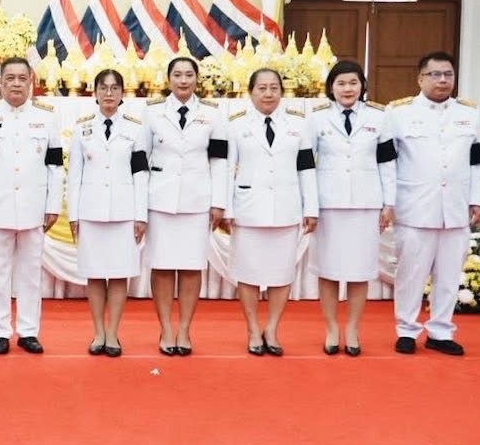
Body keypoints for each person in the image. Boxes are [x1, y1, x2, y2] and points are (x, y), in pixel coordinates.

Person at [389, 51, 480, 356]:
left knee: (448, 274)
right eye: (435, 74)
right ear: (420, 78)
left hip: (455, 208)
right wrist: (388, 201)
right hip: (415, 206)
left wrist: (478, 200)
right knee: (411, 274)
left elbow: (479, 160)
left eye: (448, 74)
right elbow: (387, 162)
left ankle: (441, 330)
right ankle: (406, 329)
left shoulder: (470, 113)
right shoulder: (399, 113)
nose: (443, 80)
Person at [0, 57, 63, 355]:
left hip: (34, 208)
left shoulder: (47, 117)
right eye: (10, 78)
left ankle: (28, 330)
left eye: (22, 78)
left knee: (30, 273)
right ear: (0, 81)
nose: (17, 84)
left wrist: (53, 205)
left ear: (31, 80)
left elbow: (55, 166)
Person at [222, 68, 318, 357]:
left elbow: (307, 168)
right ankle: (253, 328)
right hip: (248, 209)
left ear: (281, 91)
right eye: (261, 88)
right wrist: (226, 207)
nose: (268, 94)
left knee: (281, 273)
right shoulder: (236, 125)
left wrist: (310, 207)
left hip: (286, 209)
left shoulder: (298, 125)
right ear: (250, 92)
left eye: (273, 88)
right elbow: (226, 170)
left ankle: (272, 328)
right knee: (248, 274)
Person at [307, 60, 395, 356]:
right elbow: (306, 165)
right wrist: (309, 205)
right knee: (328, 270)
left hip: (365, 204)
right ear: (331, 87)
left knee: (361, 271)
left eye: (353, 83)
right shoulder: (316, 118)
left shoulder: (380, 117)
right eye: (341, 83)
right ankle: (332, 328)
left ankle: (354, 328)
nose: (347, 89)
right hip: (328, 204)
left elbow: (387, 162)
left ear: (362, 86)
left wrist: (389, 203)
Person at [144, 56, 227, 357]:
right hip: (160, 200)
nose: (183, 80)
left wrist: (219, 202)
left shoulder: (212, 115)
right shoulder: (151, 113)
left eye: (188, 75)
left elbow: (220, 160)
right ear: (168, 80)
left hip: (196, 201)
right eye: (177, 75)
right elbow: (141, 161)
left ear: (197, 79)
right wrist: (141, 206)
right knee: (163, 266)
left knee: (192, 267)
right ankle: (166, 327)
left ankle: (185, 329)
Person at [68, 69, 148, 358]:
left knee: (118, 275)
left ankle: (113, 332)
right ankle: (98, 331)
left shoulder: (135, 129)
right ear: (95, 92)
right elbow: (74, 174)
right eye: (104, 88)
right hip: (90, 210)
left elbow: (141, 174)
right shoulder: (82, 129)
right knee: (95, 274)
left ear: (122, 94)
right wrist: (73, 215)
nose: (109, 94)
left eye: (115, 88)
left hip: (124, 212)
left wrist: (141, 215)